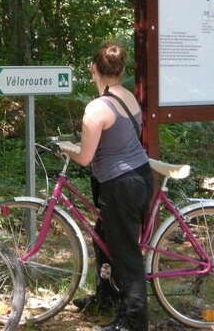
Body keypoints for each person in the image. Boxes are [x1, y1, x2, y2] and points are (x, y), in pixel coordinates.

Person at [58, 42, 152, 331]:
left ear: (93, 69)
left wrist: (66, 149)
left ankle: (133, 321)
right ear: (122, 70)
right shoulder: (129, 97)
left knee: (126, 253)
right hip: (139, 175)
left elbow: (86, 158)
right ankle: (107, 295)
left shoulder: (97, 108)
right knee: (103, 237)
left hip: (119, 184)